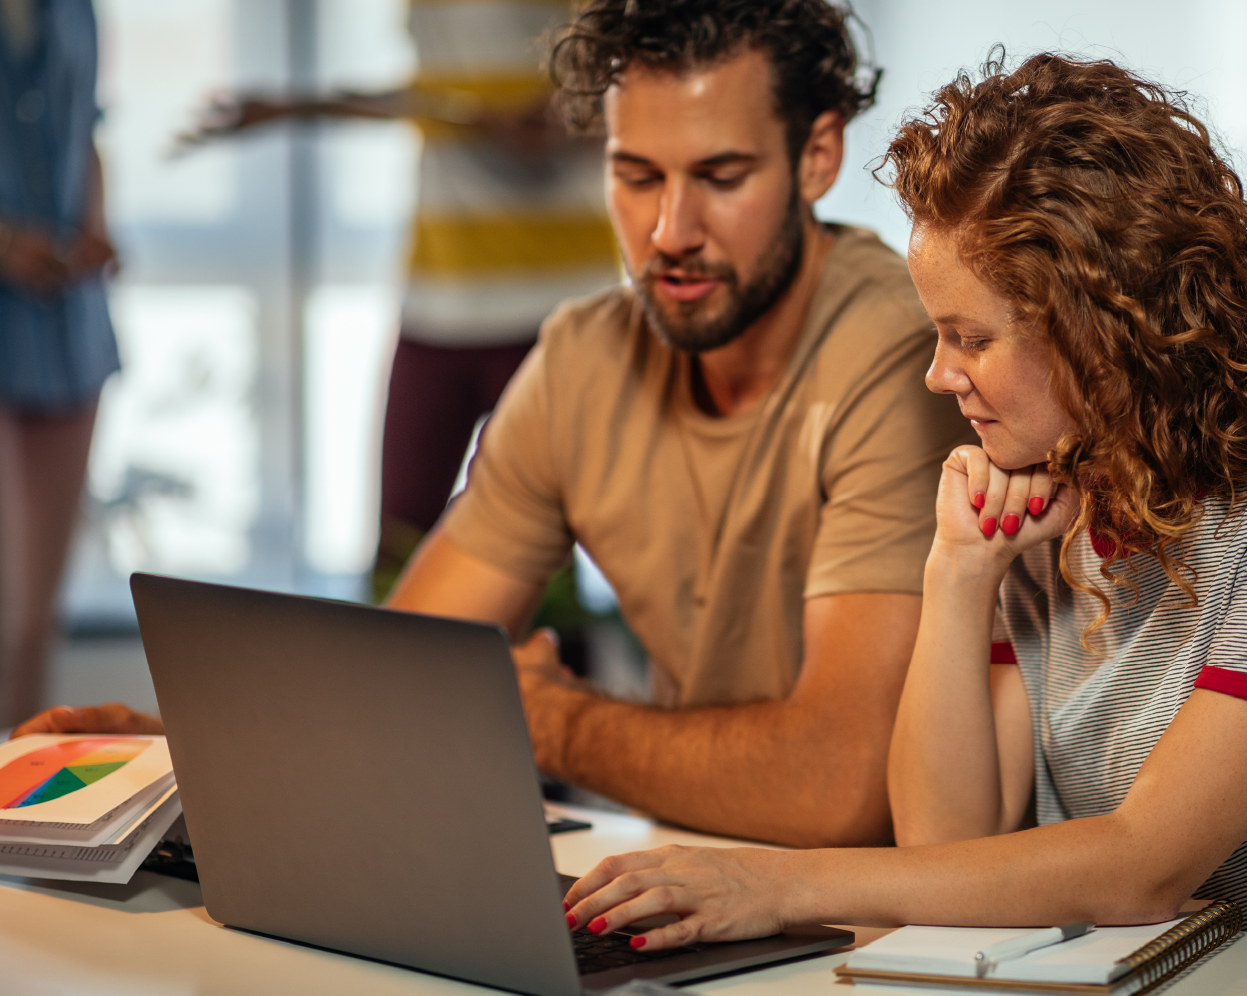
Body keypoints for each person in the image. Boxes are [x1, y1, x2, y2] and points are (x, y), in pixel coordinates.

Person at [557, 54, 1247, 982]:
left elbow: (1140, 867)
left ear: (1099, 333)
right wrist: (958, 574)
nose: (936, 373)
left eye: (967, 337)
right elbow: (948, 852)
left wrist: (775, 882)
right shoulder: (1059, 496)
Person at [14, 0, 973, 851]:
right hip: (696, 874)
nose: (670, 230)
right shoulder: (585, 358)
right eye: (635, 175)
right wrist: (167, 744)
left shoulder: (899, 356)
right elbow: (402, 677)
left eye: (720, 176)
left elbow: (839, 788)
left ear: (818, 156)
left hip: (898, 921)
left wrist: (553, 724)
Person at [177, 0, 619, 593]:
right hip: (439, 303)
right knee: (400, 549)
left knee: (542, 572)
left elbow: (652, 79)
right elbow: (429, 93)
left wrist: (585, 117)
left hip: (559, 311)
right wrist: (294, 106)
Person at [0, 0, 118, 728]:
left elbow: (89, 132)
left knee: (35, 618)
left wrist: (98, 226)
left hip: (68, 323)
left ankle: (20, 818)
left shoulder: (77, 10)